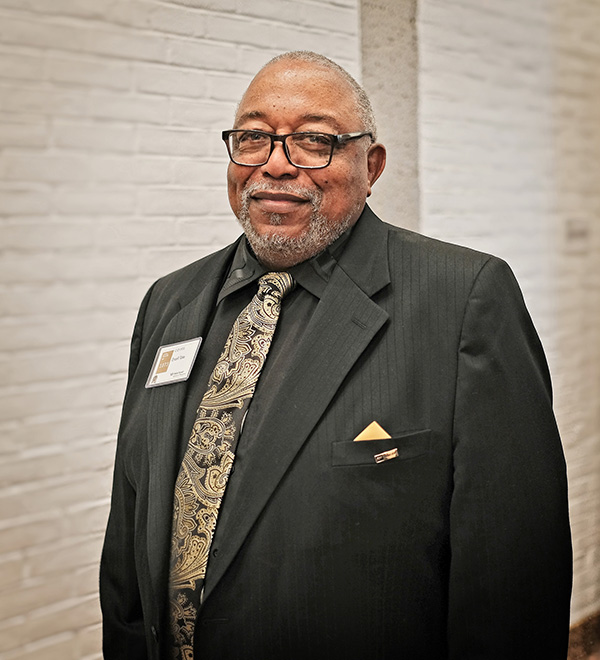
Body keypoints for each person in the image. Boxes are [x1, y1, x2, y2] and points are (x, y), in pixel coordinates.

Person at [100, 51, 572, 660]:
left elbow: (512, 575)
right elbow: (130, 523)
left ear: (371, 165)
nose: (276, 164)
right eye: (253, 137)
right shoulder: (169, 302)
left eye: (315, 141)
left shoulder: (464, 300)